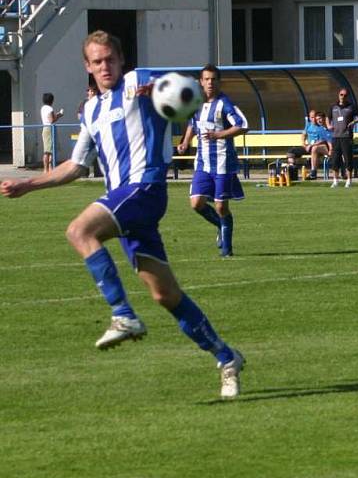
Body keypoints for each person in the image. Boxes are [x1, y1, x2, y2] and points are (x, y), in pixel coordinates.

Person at [0, 31, 245, 398]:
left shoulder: (137, 81)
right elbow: (76, 166)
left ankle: (123, 314)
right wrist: (29, 185)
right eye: (97, 62)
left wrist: (164, 92)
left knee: (79, 231)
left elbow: (191, 91)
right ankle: (227, 358)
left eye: (110, 59)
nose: (104, 67)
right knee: (166, 295)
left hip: (145, 188)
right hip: (126, 203)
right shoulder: (92, 112)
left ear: (121, 60)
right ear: (87, 67)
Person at [177, 64, 248, 258]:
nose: (210, 82)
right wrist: (185, 142)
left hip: (223, 163)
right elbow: (193, 124)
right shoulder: (197, 103)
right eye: (206, 79)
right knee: (196, 203)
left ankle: (227, 250)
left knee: (220, 206)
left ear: (218, 81)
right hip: (202, 162)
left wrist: (220, 134)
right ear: (201, 82)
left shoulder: (225, 104)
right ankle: (220, 225)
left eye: (213, 79)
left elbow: (243, 125)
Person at [326, 88, 358, 188]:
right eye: (341, 94)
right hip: (335, 136)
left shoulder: (351, 107)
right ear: (338, 95)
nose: (343, 96)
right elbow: (328, 117)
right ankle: (335, 181)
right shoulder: (333, 106)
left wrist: (354, 122)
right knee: (335, 159)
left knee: (348, 158)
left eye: (345, 95)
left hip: (346, 136)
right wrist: (328, 125)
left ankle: (349, 180)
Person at [301, 109, 331, 180]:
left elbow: (324, 140)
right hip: (309, 146)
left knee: (315, 148)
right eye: (312, 117)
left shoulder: (323, 126)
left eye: (316, 117)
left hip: (323, 146)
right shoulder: (308, 125)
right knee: (292, 152)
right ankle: (291, 169)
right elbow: (303, 134)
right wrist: (303, 144)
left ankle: (313, 172)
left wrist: (311, 145)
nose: (315, 120)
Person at [40, 92, 63, 173]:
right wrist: (59, 115)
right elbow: (52, 120)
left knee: (47, 150)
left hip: (45, 128)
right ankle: (47, 169)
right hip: (49, 129)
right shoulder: (49, 109)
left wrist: (55, 115)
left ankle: (48, 169)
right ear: (51, 100)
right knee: (49, 150)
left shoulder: (43, 108)